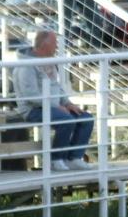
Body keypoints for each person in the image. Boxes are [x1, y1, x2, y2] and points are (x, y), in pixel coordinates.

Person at [13, 31, 95, 172]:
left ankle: (74, 158)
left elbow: (56, 87)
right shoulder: (26, 66)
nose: (56, 47)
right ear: (45, 45)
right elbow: (30, 96)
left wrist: (67, 103)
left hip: (53, 106)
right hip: (33, 110)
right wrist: (56, 106)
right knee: (66, 120)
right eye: (55, 43)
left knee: (86, 118)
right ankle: (56, 159)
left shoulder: (49, 62)